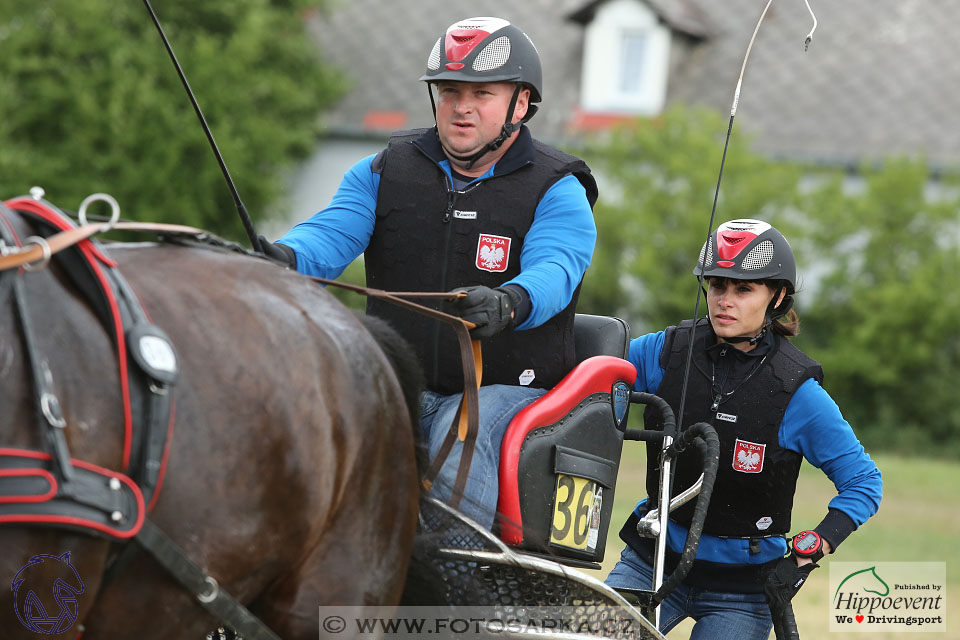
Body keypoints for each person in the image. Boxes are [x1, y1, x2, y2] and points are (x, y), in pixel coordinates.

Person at [261, 17, 598, 530]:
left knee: (455, 436)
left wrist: (511, 301)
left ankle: (458, 591)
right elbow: (328, 237)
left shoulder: (559, 188)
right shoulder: (383, 170)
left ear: (521, 104)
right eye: (449, 91)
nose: (461, 106)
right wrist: (281, 258)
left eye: (481, 93)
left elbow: (557, 269)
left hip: (512, 393)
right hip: (397, 379)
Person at [605, 219, 882, 639]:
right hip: (652, 559)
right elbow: (591, 378)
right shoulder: (664, 351)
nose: (724, 301)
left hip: (744, 590)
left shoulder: (798, 393)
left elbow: (864, 481)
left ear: (778, 297)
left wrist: (809, 552)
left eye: (743, 289)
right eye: (717, 286)